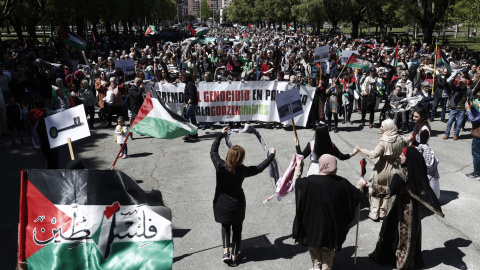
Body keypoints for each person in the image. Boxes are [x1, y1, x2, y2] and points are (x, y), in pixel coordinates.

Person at [356, 147, 444, 270]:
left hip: (402, 209)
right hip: (415, 210)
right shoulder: (417, 172)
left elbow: (389, 191)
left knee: (397, 234)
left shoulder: (402, 174)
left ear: (408, 159)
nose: (400, 157)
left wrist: (369, 188)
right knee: (411, 234)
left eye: (402, 155)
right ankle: (410, 260)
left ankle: (400, 261)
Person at [211, 126, 276, 267]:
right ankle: (235, 257)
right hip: (237, 204)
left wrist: (220, 135)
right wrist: (271, 155)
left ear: (228, 156)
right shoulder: (242, 171)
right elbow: (259, 168)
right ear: (241, 159)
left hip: (221, 203)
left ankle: (226, 252)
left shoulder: (220, 166)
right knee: (237, 230)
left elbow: (213, 151)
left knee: (225, 226)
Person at [293, 154, 362, 270]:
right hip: (331, 231)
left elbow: (296, 182)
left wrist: (298, 167)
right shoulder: (342, 183)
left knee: (315, 255)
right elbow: (357, 195)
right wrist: (360, 183)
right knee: (328, 256)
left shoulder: (309, 182)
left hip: (311, 230)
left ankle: (316, 267)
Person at [355, 119, 408, 221]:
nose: (380, 128)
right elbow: (406, 143)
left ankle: (374, 213)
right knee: (387, 191)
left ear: (388, 128)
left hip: (383, 168)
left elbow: (374, 154)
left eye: (382, 126)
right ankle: (383, 213)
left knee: (377, 190)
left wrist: (360, 149)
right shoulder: (399, 138)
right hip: (395, 168)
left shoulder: (384, 140)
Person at [465, 100, 480, 179]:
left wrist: (468, 110)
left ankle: (477, 173)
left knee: (476, 155)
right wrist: (473, 108)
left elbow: (473, 119)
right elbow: (478, 114)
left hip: (478, 137)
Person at [182, 73, 199, 141]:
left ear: (186, 78)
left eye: (183, 77)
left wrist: (188, 104)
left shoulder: (190, 84)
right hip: (192, 104)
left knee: (186, 118)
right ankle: (194, 134)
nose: (182, 79)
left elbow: (192, 95)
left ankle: (188, 133)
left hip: (192, 104)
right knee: (193, 119)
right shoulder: (188, 84)